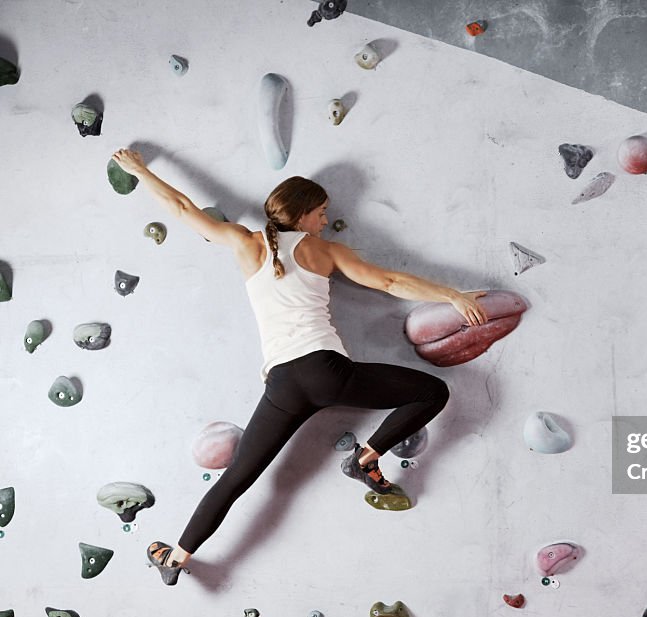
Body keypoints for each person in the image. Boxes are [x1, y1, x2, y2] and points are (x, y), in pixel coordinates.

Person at [111, 149, 488, 586]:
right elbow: (388, 282)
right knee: (432, 392)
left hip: (283, 385)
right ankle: (366, 457)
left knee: (238, 477)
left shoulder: (245, 242)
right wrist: (453, 296)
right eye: (322, 212)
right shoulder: (324, 251)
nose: (325, 221)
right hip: (327, 372)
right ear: (305, 211)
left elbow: (182, 208)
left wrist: (139, 170)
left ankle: (176, 558)